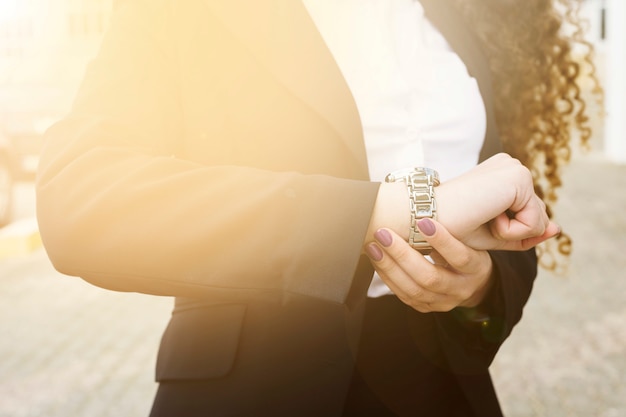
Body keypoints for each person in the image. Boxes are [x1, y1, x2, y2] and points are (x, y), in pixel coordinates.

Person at [35, 0, 599, 415]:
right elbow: (81, 197)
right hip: (254, 392)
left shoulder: (471, 15)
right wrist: (371, 216)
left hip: (441, 390)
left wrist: (478, 287)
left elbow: (505, 209)